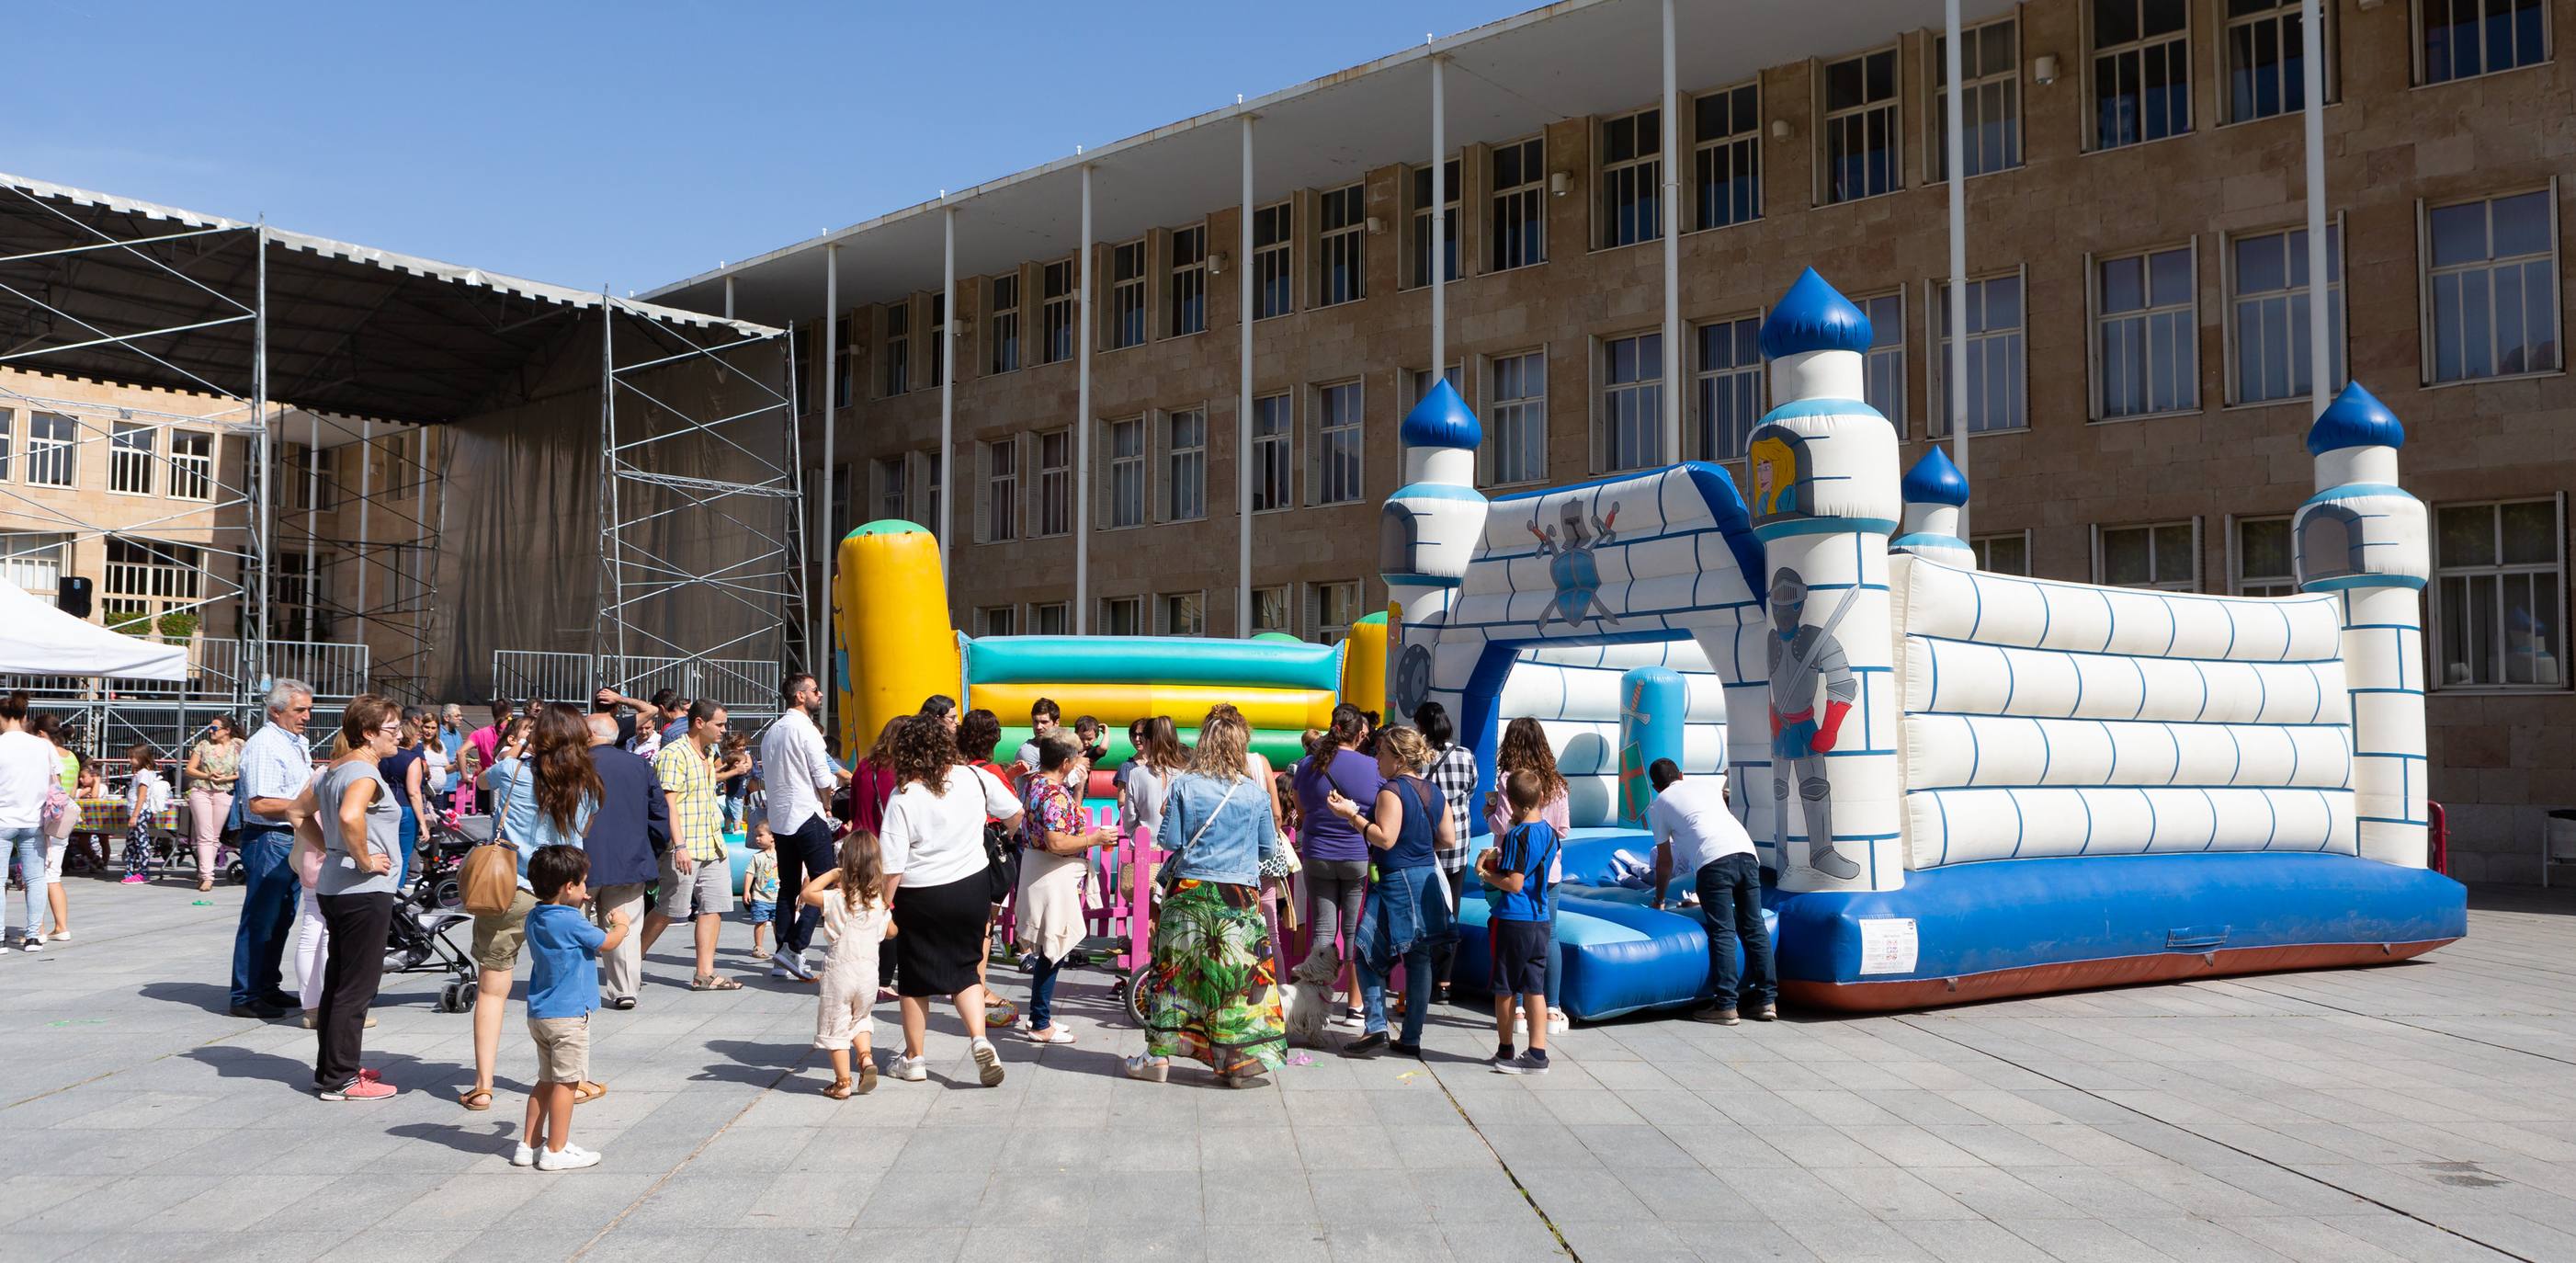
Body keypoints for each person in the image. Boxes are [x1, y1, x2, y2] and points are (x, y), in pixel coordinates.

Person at [1126, 708, 1286, 1087]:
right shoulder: (1255, 794)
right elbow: (1266, 848)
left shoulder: (1186, 785)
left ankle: (1158, 1059)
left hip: (1190, 894)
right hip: (1238, 899)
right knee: (1237, 982)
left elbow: (1171, 840)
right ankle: (1238, 1065)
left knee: (1175, 977)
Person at [462, 705, 602, 1114]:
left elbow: (482, 778)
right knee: (566, 992)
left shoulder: (512, 771)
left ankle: (483, 1085)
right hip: (563, 894)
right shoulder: (589, 784)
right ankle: (571, 1080)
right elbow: (582, 833)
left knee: (492, 988)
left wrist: (518, 746)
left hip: (510, 889)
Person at [878, 713, 1021, 1086]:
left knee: (915, 978)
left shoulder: (904, 794)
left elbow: (892, 865)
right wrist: (996, 839)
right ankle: (979, 1039)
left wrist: (881, 909)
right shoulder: (974, 777)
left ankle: (915, 1058)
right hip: (972, 886)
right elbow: (1015, 813)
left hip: (920, 893)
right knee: (966, 969)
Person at [1325, 724, 1456, 1059]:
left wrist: (1351, 815)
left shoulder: (1391, 791)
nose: (1376, 759)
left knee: (1367, 951)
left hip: (1396, 881)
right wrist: (1418, 840)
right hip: (1425, 877)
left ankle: (1377, 1026)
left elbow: (1384, 838)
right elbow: (1448, 839)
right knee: (1419, 958)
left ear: (1398, 758)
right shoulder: (1433, 791)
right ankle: (1411, 1036)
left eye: (1381, 753)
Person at [301, 696, 404, 1101]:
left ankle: (331, 1070)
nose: (399, 736)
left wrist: (333, 849)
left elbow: (297, 813)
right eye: (392, 730)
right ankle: (340, 1079)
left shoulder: (332, 769)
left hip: (335, 886)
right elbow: (348, 816)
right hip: (363, 890)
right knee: (357, 987)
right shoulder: (363, 773)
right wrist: (361, 858)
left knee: (339, 983)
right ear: (368, 733)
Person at [516, 844, 627, 1171]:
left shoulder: (536, 916)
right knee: (567, 1083)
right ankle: (556, 1149)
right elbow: (606, 943)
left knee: (545, 1081)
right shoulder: (570, 920)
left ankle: (529, 1144)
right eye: (582, 884)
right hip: (568, 1015)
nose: (585, 891)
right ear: (568, 887)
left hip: (540, 1012)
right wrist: (620, 924)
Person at [1647, 759, 1774, 1025]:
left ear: (1656, 786)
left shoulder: (1659, 805)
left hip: (1713, 861)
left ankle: (1726, 1005)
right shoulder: (1706, 787)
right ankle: (1766, 1000)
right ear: (1681, 774)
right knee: (1754, 926)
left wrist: (1659, 900)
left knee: (1723, 930)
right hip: (1746, 852)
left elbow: (1665, 861)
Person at [1016, 734, 1120, 1045]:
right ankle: (1040, 1022)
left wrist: (1075, 788)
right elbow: (1057, 842)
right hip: (1052, 874)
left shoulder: (1036, 783)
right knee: (1054, 947)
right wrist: (1094, 839)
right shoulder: (1052, 795)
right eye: (1075, 757)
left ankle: (1040, 1016)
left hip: (1042, 870)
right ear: (1064, 762)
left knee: (1052, 948)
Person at [231, 680, 318, 1018]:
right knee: (261, 919)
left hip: (290, 838)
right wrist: (307, 807)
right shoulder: (266, 744)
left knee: (281, 918)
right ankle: (245, 994)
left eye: (309, 709)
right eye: (300, 710)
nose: (307, 716)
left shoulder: (293, 742)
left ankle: (266, 986)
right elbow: (260, 802)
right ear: (275, 710)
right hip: (270, 838)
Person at [1290, 705, 1381, 1026]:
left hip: (1317, 853)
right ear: (1358, 734)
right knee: (1355, 932)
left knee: (1324, 930)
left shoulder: (1307, 764)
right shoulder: (1372, 767)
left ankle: (1315, 1007)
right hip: (1357, 854)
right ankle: (1355, 1008)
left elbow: (1300, 810)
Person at [1486, 715, 1572, 1037]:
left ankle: (1518, 1007)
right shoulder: (1557, 782)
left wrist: (1489, 817)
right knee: (1548, 936)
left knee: (1512, 936)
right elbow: (1563, 829)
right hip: (1551, 870)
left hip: (1514, 868)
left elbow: (1509, 825)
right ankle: (1552, 1007)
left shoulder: (1509, 779)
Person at [645, 701, 738, 993]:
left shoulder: (710, 753)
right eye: (720, 724)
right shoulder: (674, 754)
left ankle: (704, 973)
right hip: (685, 844)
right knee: (670, 909)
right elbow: (668, 803)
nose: (724, 730)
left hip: (713, 842)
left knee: (714, 906)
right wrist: (680, 845)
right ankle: (630, 960)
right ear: (700, 722)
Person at [760, 674, 848, 982]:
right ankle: (794, 947)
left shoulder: (772, 732)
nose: (820, 695)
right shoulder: (806, 730)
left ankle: (783, 950)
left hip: (782, 818)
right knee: (825, 883)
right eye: (815, 690)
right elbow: (823, 777)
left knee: (787, 886)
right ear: (800, 696)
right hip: (807, 814)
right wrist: (827, 801)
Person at [581, 713, 668, 1008]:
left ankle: (576, 986)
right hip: (630, 858)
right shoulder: (639, 765)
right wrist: (649, 850)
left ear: (589, 734)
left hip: (579, 860)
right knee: (625, 925)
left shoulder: (574, 765)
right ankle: (625, 989)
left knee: (575, 924)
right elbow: (659, 816)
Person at [1481, 769, 1561, 1075]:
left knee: (1505, 988)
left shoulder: (1516, 836)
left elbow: (1514, 883)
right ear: (1541, 797)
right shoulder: (1551, 833)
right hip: (1541, 918)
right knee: (1535, 988)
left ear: (1511, 802)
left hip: (1514, 918)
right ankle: (1538, 1053)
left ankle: (1505, 1050)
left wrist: (1487, 874)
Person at [803, 829, 892, 1098]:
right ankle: (865, 1058)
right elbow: (893, 932)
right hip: (869, 975)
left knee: (836, 1025)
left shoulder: (836, 899)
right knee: (861, 1018)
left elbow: (808, 893)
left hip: (840, 973)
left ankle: (842, 1083)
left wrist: (833, 873)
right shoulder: (879, 903)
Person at [1415, 701, 1477, 1005]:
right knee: (1452, 912)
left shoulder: (1419, 759)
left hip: (1427, 844)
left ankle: (1422, 977)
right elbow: (1471, 791)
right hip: (1459, 843)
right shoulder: (1465, 756)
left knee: (1425, 914)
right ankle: (1444, 981)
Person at [0, 692, 60, 950]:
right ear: (24, 716)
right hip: (34, 819)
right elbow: (55, 784)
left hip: (2, 819)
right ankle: (34, 935)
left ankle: (0, 936)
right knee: (35, 879)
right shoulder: (43, 745)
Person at [184, 716, 244, 893]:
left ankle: (205, 873)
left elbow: (243, 770)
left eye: (214, 728)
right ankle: (207, 875)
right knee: (205, 834)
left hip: (224, 791)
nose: (211, 731)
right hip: (201, 790)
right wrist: (207, 776)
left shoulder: (238, 745)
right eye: (210, 728)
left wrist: (227, 778)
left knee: (214, 836)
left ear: (226, 730)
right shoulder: (203, 745)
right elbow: (190, 769)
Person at [34, 716, 78, 941]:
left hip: (45, 818)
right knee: (54, 875)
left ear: (41, 734)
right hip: (63, 820)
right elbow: (71, 789)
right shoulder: (71, 757)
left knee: (36, 877)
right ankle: (61, 926)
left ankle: (38, 929)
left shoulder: (44, 755)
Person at [380, 709, 433, 889]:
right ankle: (396, 891)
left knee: (384, 853)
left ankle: (383, 888)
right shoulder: (412, 758)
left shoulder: (383, 755)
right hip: (405, 808)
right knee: (401, 856)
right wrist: (423, 822)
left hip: (385, 804)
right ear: (411, 737)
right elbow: (414, 792)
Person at [1118, 716, 1187, 842]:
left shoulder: (1135, 774)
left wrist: (1133, 834)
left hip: (1144, 846)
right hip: (1176, 848)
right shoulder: (1186, 774)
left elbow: (1129, 819)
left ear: (1147, 741)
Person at [845, 717, 903, 839]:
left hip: (862, 842)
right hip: (888, 842)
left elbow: (853, 807)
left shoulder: (865, 764)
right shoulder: (901, 770)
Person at [119, 744, 170, 884]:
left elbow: (142, 796)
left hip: (139, 813)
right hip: (135, 813)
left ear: (141, 757)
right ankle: (130, 870)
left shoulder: (144, 774)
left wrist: (135, 815)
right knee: (131, 843)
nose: (130, 760)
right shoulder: (141, 773)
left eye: (132, 758)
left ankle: (143, 873)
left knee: (141, 842)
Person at [460, 699, 511, 816]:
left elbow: (460, 752)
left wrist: (464, 776)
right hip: (505, 781)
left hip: (485, 780)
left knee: (483, 821)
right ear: (509, 714)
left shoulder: (480, 733)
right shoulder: (512, 733)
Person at [742, 825, 779, 958]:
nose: (757, 839)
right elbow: (749, 873)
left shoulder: (781, 855)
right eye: (756, 835)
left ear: (772, 837)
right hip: (760, 897)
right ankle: (759, 947)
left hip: (778, 897)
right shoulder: (757, 857)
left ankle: (780, 947)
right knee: (760, 922)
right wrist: (746, 891)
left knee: (778, 924)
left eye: (760, 835)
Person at [1011, 697, 1062, 772]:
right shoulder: (1027, 751)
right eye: (1036, 722)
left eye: (1044, 722)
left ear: (1056, 723)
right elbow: (1041, 782)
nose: (1038, 727)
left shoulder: (1064, 746)